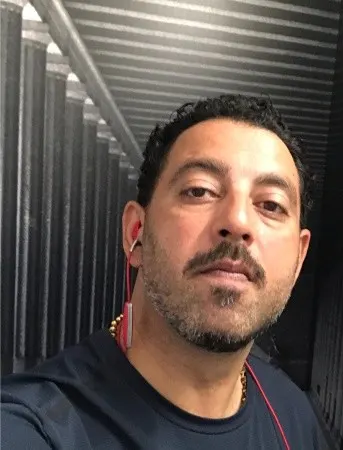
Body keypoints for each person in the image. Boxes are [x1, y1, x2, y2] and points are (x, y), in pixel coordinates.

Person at [1, 94, 319, 449]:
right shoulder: (37, 426)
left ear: (298, 258)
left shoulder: (294, 415)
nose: (238, 221)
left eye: (271, 204)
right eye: (200, 190)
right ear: (136, 232)